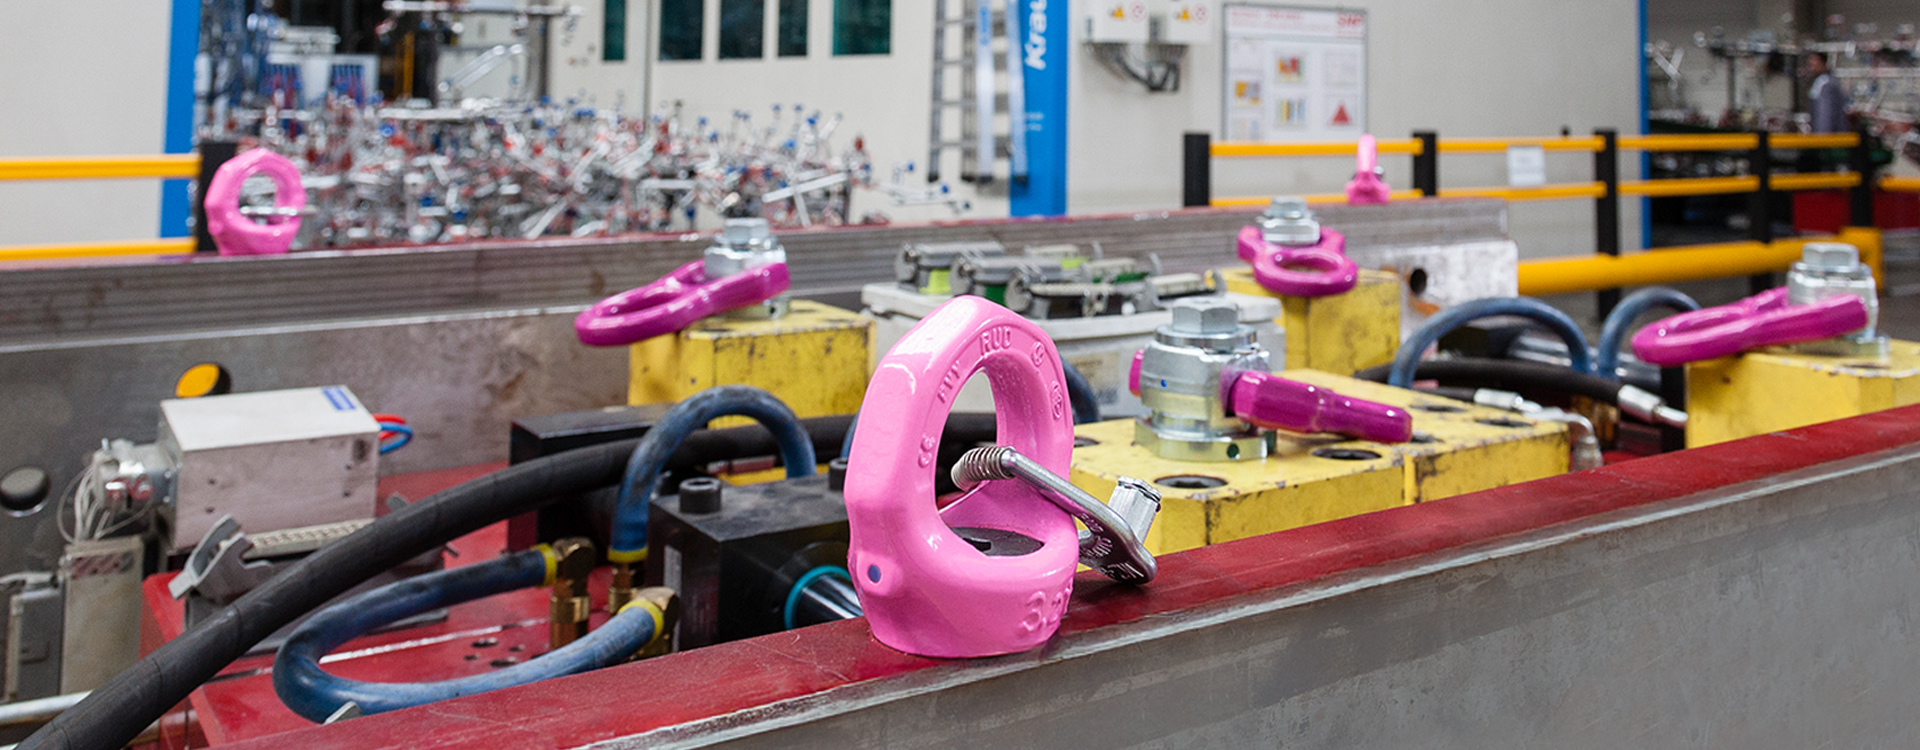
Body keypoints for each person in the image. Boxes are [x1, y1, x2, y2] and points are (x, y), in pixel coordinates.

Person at [1805, 52, 1850, 133]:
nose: (1812, 67)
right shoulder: (1820, 83)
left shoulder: (1826, 84)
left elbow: (1825, 113)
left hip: (1829, 137)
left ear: (1823, 63)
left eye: (1815, 63)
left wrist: (1822, 137)